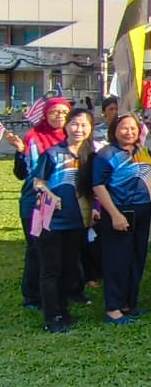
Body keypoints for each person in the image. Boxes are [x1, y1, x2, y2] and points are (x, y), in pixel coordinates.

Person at [92, 114, 151, 324]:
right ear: (114, 130)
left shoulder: (142, 151)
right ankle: (113, 308)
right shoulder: (106, 154)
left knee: (136, 258)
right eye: (124, 128)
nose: (129, 132)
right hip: (120, 210)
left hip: (143, 211)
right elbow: (98, 185)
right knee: (117, 260)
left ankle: (128, 303)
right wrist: (114, 214)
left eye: (133, 128)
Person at [30, 109, 97, 333]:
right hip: (50, 221)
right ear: (67, 126)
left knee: (69, 268)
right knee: (51, 270)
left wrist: (95, 210)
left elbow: (94, 188)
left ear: (90, 129)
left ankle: (64, 311)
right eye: (75, 124)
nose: (79, 129)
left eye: (84, 125)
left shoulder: (91, 155)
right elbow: (37, 183)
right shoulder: (52, 154)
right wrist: (50, 195)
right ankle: (52, 317)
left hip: (77, 222)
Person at [12, 96, 74, 311]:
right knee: (37, 249)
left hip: (63, 203)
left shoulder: (73, 138)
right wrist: (20, 152)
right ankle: (32, 295)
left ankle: (68, 291)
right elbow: (21, 174)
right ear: (45, 115)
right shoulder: (33, 137)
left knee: (64, 250)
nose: (59, 116)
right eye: (54, 112)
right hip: (35, 201)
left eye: (64, 113)